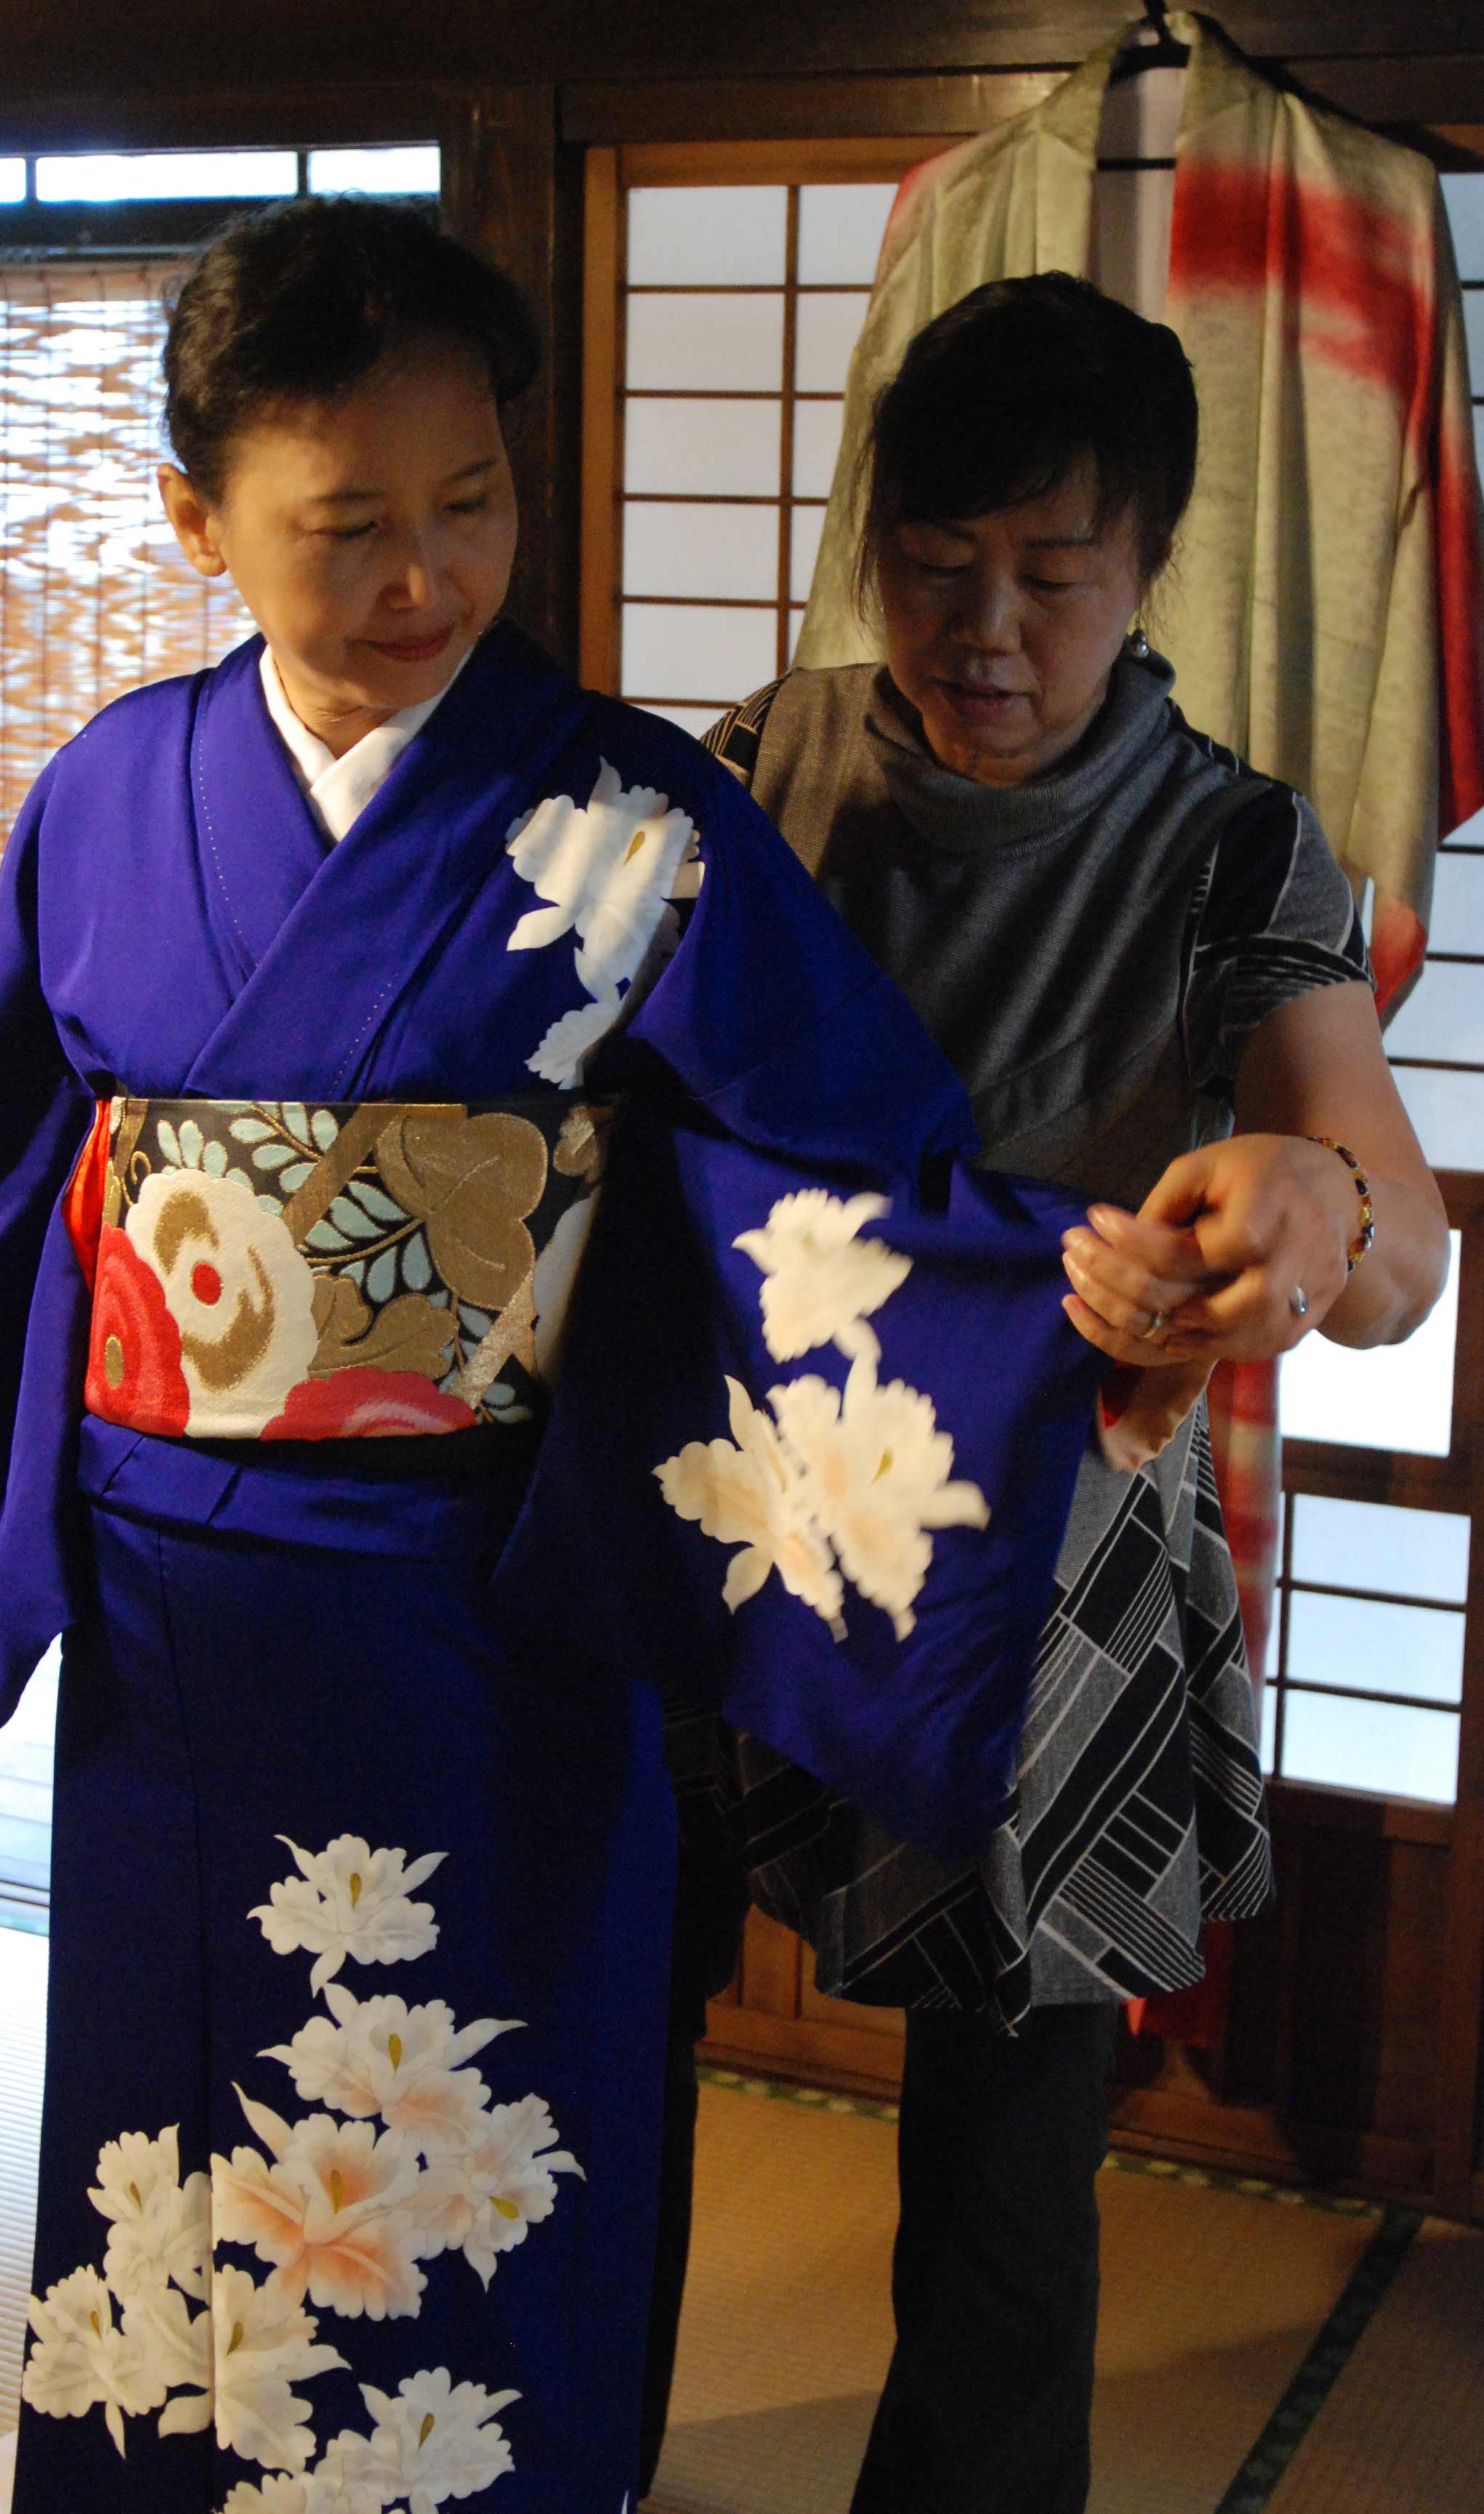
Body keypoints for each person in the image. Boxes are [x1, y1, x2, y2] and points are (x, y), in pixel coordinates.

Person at [0, 209, 1100, 2512]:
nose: (428, 574)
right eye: (347, 524)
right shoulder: (109, 796)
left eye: (471, 502)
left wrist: (1076, 1286)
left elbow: (849, 1167)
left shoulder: (631, 816)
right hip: (172, 1626)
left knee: (485, 2124)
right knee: (170, 2123)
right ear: (197, 517)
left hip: (489, 1617)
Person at [649, 273, 1451, 2514]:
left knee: (1006, 2166)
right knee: (605, 2034)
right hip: (731, 1491)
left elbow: (1394, 1236)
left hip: (1040, 1555)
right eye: (929, 563)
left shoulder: (1229, 843)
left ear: (1147, 564)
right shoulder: (756, 762)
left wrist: (1307, 1201)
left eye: (1049, 573)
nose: (980, 628)